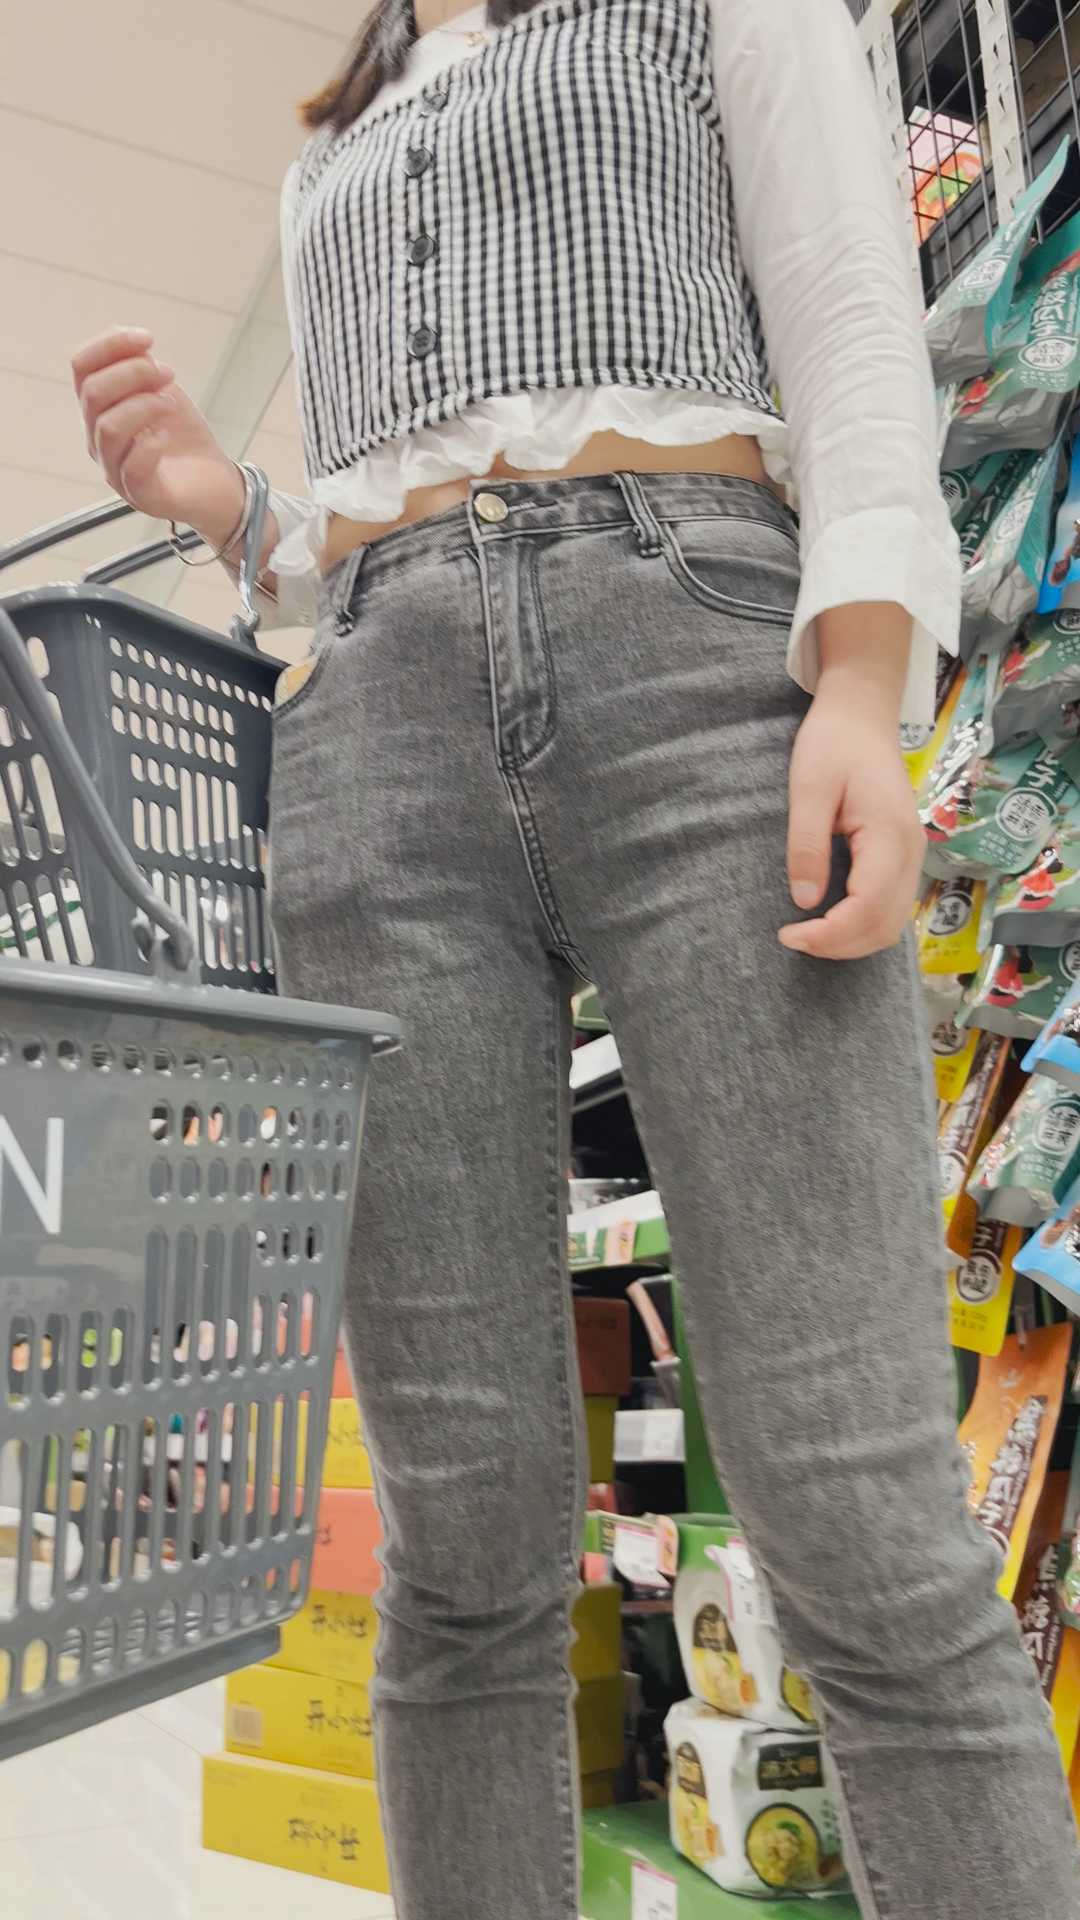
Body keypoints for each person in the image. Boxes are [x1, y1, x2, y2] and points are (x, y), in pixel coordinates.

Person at [71, 2, 1080, 1913]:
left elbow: (850, 312)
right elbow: (368, 518)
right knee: (457, 1545)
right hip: (370, 731)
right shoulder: (339, 130)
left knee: (856, 1504)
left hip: (699, 650)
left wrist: (864, 675)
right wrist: (239, 510)